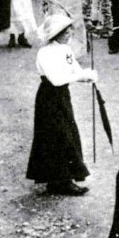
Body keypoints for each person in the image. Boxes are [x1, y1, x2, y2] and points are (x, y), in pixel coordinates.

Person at [26, 13, 97, 196]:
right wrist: (80, 76)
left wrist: (88, 75)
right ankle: (58, 181)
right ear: (54, 34)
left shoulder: (66, 50)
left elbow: (75, 70)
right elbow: (56, 79)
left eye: (69, 30)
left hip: (63, 96)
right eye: (64, 31)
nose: (68, 34)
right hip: (48, 98)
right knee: (55, 135)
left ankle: (64, 178)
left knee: (68, 133)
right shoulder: (45, 53)